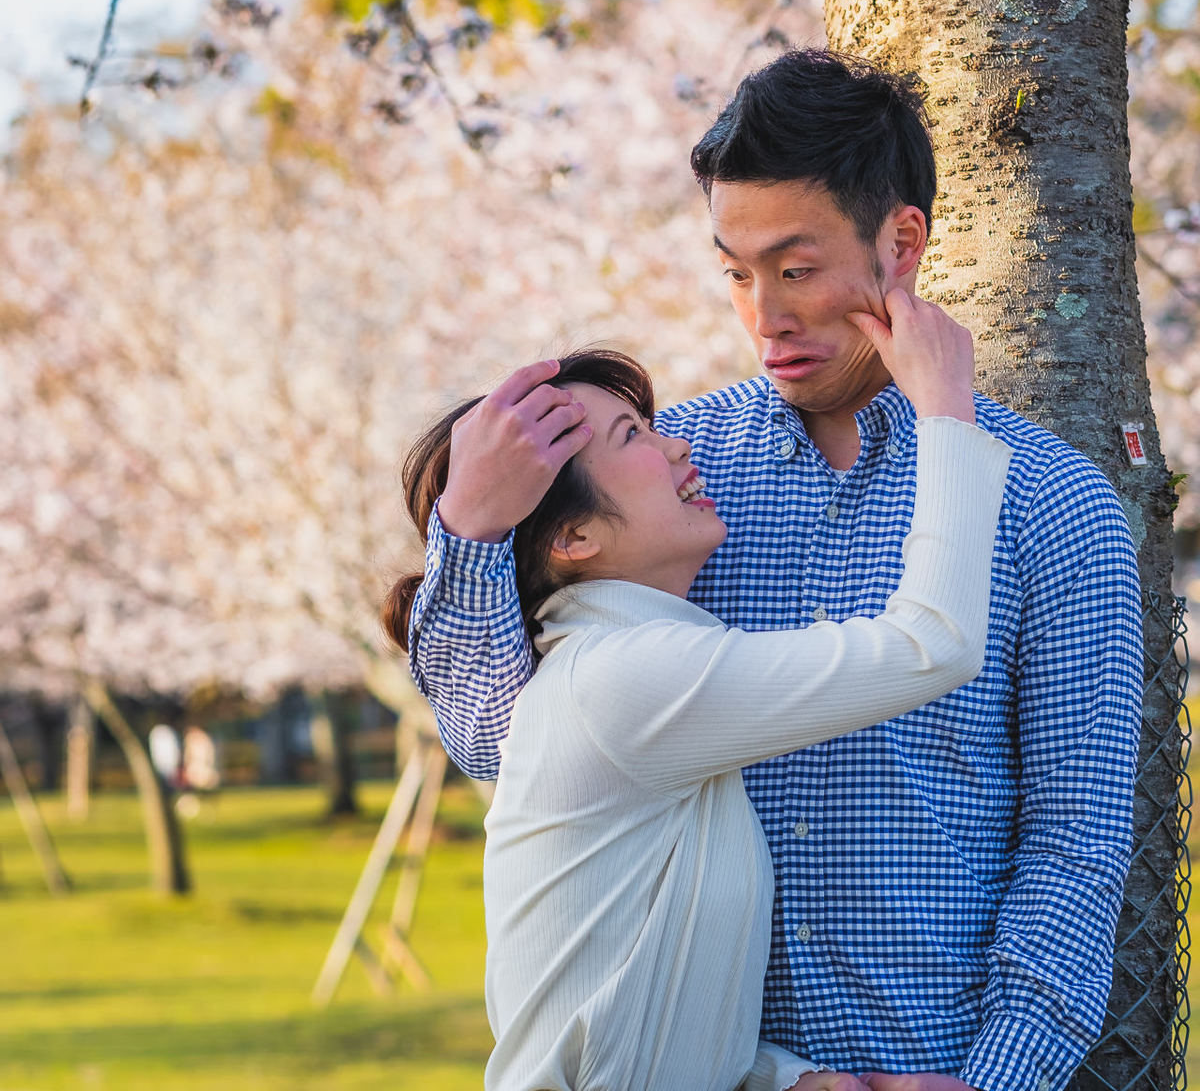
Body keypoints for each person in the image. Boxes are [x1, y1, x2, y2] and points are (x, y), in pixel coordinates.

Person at [407, 50, 1144, 1091]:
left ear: (901, 243)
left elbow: (1074, 841)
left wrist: (998, 1081)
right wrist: (472, 534)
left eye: (794, 270)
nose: (763, 314)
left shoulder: (1052, 508)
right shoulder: (670, 489)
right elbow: (507, 751)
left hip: (925, 1066)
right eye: (736, 272)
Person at [385, 305, 1011, 1091]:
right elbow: (933, 645)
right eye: (633, 439)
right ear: (574, 540)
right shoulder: (622, 680)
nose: (679, 443)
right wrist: (946, 410)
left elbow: (630, 1002)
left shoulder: (622, 677)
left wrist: (788, 1080)